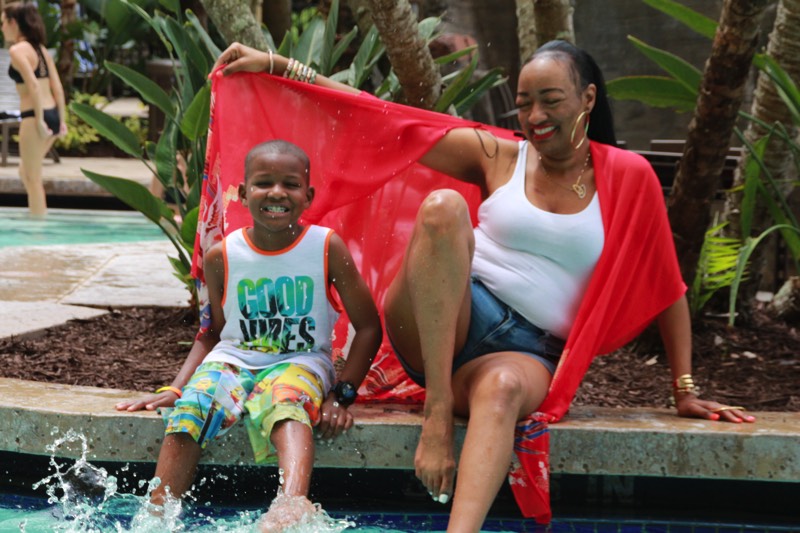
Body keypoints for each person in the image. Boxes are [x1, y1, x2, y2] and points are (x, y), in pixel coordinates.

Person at [211, 41, 756, 530]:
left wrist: (683, 389)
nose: (535, 116)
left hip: (526, 351)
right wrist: (280, 66)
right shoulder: (500, 156)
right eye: (523, 103)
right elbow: (385, 120)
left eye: (551, 100)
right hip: (441, 316)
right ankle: (438, 412)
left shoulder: (629, 177)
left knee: (500, 393)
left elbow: (668, 287)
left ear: (588, 99)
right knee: (444, 208)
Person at [115, 140, 382, 531]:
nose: (276, 193)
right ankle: (157, 512)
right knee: (193, 407)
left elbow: (370, 326)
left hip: (301, 360)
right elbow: (211, 335)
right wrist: (176, 389)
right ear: (243, 193)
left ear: (307, 196)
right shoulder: (223, 256)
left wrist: (342, 395)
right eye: (263, 183)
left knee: (286, 400)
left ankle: (292, 504)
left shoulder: (324, 247)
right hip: (234, 360)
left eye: (290, 184)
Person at [1, 2, 67, 217]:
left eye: (2, 23)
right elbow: (56, 87)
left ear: (13, 23)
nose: (1, 28)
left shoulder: (17, 50)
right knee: (25, 172)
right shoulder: (41, 50)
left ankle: (38, 232)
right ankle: (35, 220)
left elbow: (34, 85)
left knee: (33, 178)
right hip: (53, 115)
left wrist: (39, 121)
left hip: (35, 117)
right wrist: (62, 120)